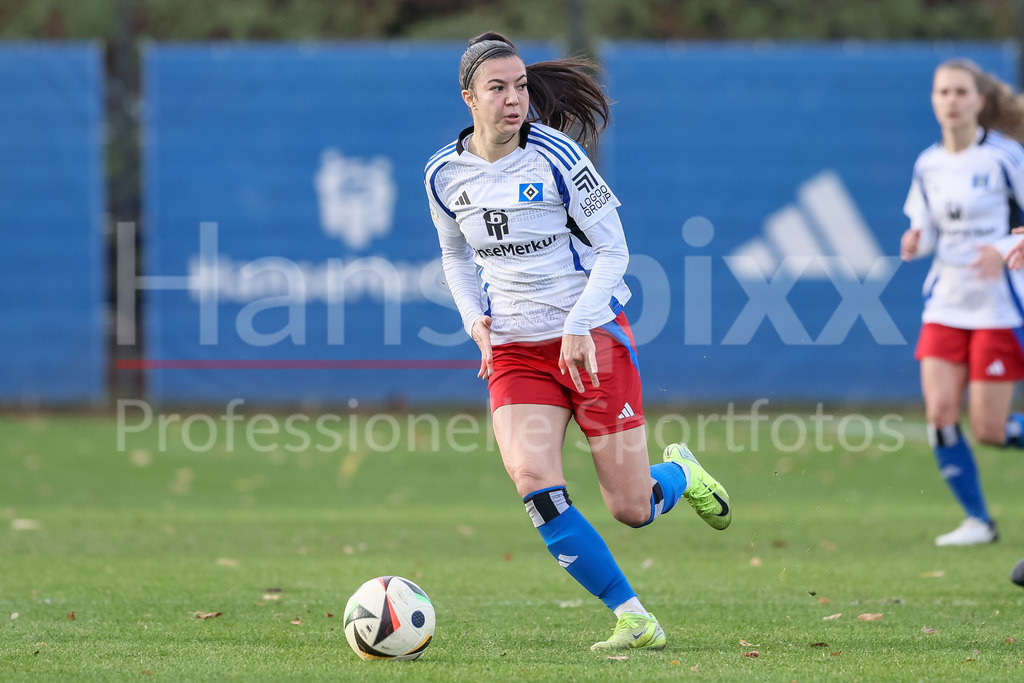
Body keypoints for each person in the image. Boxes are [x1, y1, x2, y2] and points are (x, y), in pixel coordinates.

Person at [423, 32, 732, 651]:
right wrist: (473, 320)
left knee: (631, 507)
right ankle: (632, 616)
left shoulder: (558, 158)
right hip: (513, 351)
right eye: (498, 88)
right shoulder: (443, 173)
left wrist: (577, 325)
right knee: (534, 483)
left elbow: (615, 252)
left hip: (591, 336)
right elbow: (454, 256)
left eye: (520, 87)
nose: (514, 100)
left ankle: (677, 475)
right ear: (468, 98)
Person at [900, 58, 1024, 547]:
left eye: (959, 92)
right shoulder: (927, 164)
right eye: (942, 92)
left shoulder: (1005, 157)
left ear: (980, 101)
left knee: (990, 429)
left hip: (999, 306)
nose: (950, 101)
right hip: (947, 303)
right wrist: (916, 240)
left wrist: (1004, 247)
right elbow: (928, 228)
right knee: (940, 416)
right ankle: (978, 520)